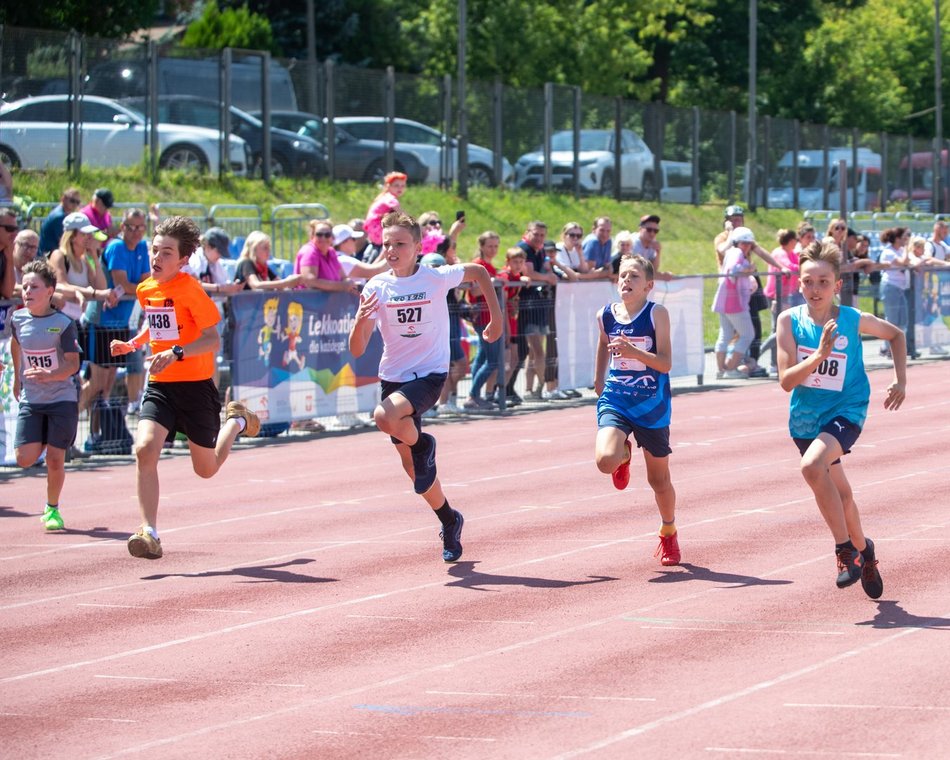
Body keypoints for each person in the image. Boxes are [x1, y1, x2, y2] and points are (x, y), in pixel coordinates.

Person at [349, 210, 503, 563]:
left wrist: (494, 319)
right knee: (414, 470)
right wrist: (360, 321)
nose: (392, 250)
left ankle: (425, 444)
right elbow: (357, 349)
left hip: (430, 375)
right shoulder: (377, 287)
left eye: (400, 243)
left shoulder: (435, 277)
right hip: (394, 377)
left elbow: (479, 272)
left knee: (383, 416)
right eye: (386, 244)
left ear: (418, 246)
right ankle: (450, 519)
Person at [109, 216, 261, 560]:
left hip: (196, 387)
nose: (157, 258)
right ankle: (149, 532)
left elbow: (211, 338)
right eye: (154, 250)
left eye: (166, 252)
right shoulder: (148, 288)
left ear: (182, 259)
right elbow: (158, 327)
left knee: (205, 469)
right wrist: (133, 344)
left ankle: (236, 422)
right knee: (145, 448)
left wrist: (177, 352)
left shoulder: (190, 289)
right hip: (162, 384)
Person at [775, 240, 906, 597]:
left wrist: (900, 379)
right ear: (798, 284)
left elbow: (896, 335)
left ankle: (844, 552)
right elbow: (786, 381)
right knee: (843, 496)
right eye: (807, 282)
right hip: (805, 419)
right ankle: (866, 551)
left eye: (823, 281)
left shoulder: (851, 319)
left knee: (811, 467)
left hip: (847, 410)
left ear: (836, 285)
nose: (814, 289)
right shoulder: (788, 321)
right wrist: (819, 354)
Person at [594, 255, 679, 566]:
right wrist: (598, 379)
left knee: (659, 481)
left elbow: (666, 363)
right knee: (605, 461)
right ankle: (622, 455)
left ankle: (668, 531)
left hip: (652, 404)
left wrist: (633, 351)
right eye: (622, 276)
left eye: (633, 276)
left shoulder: (657, 315)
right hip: (617, 398)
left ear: (649, 285)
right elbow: (603, 344)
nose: (626, 281)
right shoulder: (605, 314)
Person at [10, 259, 82, 532]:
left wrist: (50, 375)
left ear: (50, 291)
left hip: (62, 398)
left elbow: (73, 364)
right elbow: (17, 347)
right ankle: (43, 438)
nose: (27, 291)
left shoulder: (63, 324)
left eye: (34, 287)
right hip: (32, 398)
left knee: (54, 458)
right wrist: (18, 376)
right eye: (25, 286)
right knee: (24, 459)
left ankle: (52, 509)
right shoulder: (17, 319)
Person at [100, 208, 152, 415]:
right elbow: (123, 283)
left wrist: (136, 286)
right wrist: (137, 286)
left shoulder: (141, 247)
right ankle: (84, 419)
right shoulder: (116, 247)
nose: (137, 232)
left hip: (127, 320)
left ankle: (133, 405)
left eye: (141, 227)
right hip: (105, 321)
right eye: (131, 227)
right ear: (122, 227)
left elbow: (146, 281)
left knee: (133, 364)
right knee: (99, 380)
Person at [711, 226, 759, 379]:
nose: (746, 246)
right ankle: (730, 369)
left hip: (724, 301)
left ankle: (721, 370)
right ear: (736, 243)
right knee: (747, 334)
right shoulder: (737, 253)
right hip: (734, 302)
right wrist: (749, 269)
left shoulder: (731, 253)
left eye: (748, 243)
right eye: (743, 243)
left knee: (725, 334)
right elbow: (734, 270)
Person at [464, 230, 503, 409]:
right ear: (481, 246)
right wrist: (493, 281)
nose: (493, 249)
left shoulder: (490, 266)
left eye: (496, 246)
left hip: (489, 316)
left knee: (481, 357)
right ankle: (472, 394)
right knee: (492, 360)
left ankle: (475, 394)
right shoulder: (477, 265)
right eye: (490, 246)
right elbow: (473, 291)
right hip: (482, 317)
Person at [294, 220, 386, 293]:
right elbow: (310, 281)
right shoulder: (310, 252)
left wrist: (349, 285)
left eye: (327, 235)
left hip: (326, 308)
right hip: (309, 309)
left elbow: (344, 278)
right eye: (319, 234)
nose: (323, 238)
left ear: (332, 237)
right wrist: (389, 250)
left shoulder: (331, 253)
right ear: (312, 236)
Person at [877, 227, 913, 358]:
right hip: (890, 287)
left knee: (902, 320)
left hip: (901, 288)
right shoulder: (888, 252)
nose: (906, 240)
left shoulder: (902, 250)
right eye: (903, 237)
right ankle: (887, 348)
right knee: (891, 320)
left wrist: (907, 249)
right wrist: (908, 247)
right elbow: (903, 262)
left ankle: (895, 348)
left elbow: (909, 262)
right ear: (897, 239)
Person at [234, 231, 302, 291]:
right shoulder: (246, 263)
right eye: (265, 248)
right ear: (254, 250)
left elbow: (279, 284)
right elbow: (256, 285)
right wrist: (286, 282)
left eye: (269, 247)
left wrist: (293, 283)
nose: (269, 251)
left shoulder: (263, 267)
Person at [363, 171, 407, 255]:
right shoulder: (390, 198)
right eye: (396, 185)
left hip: (373, 231)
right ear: (388, 186)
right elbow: (402, 214)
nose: (400, 188)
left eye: (402, 186)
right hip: (378, 229)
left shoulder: (384, 196)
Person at [39, 188, 83, 257]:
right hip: (48, 256)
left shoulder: (61, 213)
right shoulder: (60, 217)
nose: (75, 204)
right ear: (63, 199)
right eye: (72, 201)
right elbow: (66, 241)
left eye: (77, 202)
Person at [0, 207, 17, 300]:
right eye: (9, 229)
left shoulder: (5, 253)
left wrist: (10, 260)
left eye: (16, 229)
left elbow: (7, 293)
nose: (14, 234)